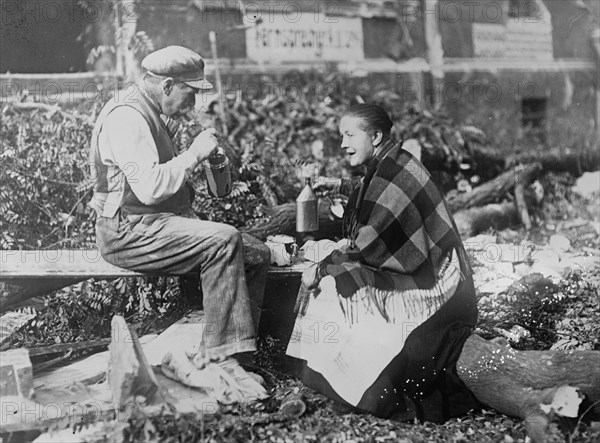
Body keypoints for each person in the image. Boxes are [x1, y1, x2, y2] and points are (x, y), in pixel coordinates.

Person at [286, 104, 480, 423]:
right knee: (337, 278)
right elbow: (367, 190)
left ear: (375, 136)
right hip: (427, 269)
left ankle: (365, 390)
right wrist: (334, 185)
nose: (343, 144)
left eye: (350, 135)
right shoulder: (391, 162)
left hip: (438, 284)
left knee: (336, 285)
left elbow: (371, 243)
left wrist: (320, 269)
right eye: (341, 136)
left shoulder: (396, 172)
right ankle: (336, 379)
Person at [88, 46, 270, 368]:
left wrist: (214, 159)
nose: (194, 103)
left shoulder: (155, 110)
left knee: (254, 253)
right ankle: (221, 363)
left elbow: (219, 191)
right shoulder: (127, 117)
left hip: (154, 224)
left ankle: (236, 355)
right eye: (191, 92)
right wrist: (193, 155)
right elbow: (149, 189)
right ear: (168, 85)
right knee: (223, 240)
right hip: (126, 231)